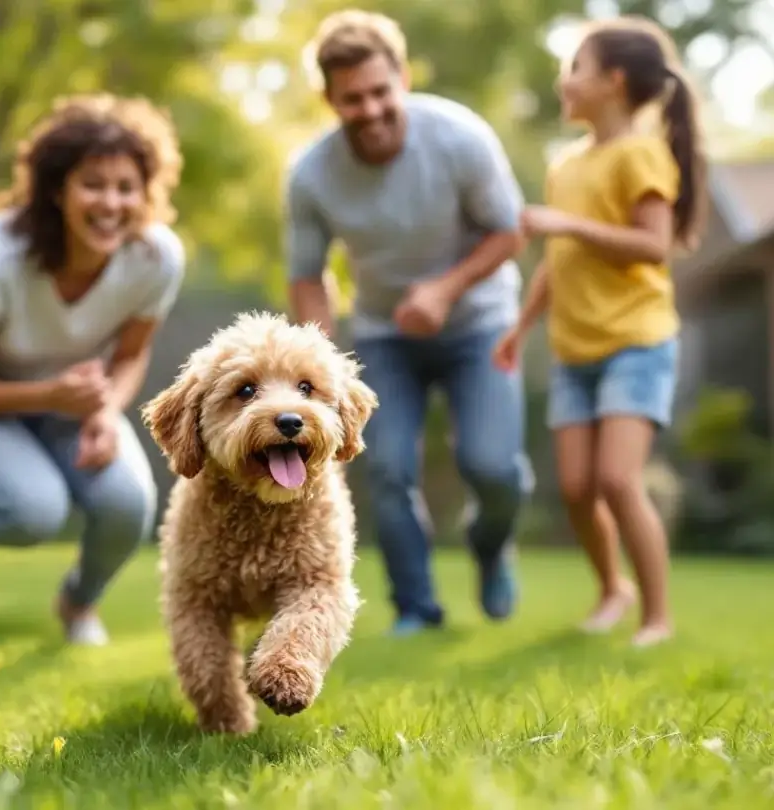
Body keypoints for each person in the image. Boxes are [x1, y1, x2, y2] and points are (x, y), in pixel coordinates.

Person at [0, 93, 186, 644]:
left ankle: (79, 603)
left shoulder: (155, 258)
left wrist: (103, 410)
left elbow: (129, 355)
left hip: (66, 400)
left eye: (127, 187)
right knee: (33, 511)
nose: (111, 203)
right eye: (93, 184)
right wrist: (52, 396)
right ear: (57, 190)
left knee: (128, 505)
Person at [285, 10, 532, 636]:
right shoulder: (311, 175)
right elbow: (308, 277)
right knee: (387, 467)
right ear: (329, 99)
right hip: (383, 334)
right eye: (351, 100)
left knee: (493, 467)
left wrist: (445, 290)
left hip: (480, 323)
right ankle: (416, 607)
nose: (369, 110)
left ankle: (491, 544)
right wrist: (319, 360)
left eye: (378, 91)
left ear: (401, 77)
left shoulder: (459, 137)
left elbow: (510, 232)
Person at [493, 17, 707, 647]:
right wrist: (520, 327)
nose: (565, 82)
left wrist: (567, 224)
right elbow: (559, 266)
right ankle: (614, 587)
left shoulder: (640, 154)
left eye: (575, 68)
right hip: (573, 348)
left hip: (636, 341)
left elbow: (653, 245)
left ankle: (657, 618)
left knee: (617, 480)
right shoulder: (566, 165)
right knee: (578, 489)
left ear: (613, 82)